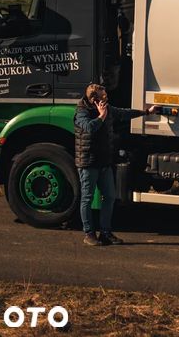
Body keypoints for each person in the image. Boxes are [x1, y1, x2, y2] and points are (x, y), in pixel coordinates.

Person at [74, 83, 156, 246]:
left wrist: (146, 112)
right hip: (88, 162)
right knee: (87, 198)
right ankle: (89, 234)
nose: (107, 98)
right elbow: (90, 128)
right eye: (104, 96)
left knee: (110, 197)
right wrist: (101, 116)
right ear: (94, 100)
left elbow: (124, 113)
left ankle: (105, 233)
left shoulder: (107, 108)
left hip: (104, 162)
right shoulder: (82, 113)